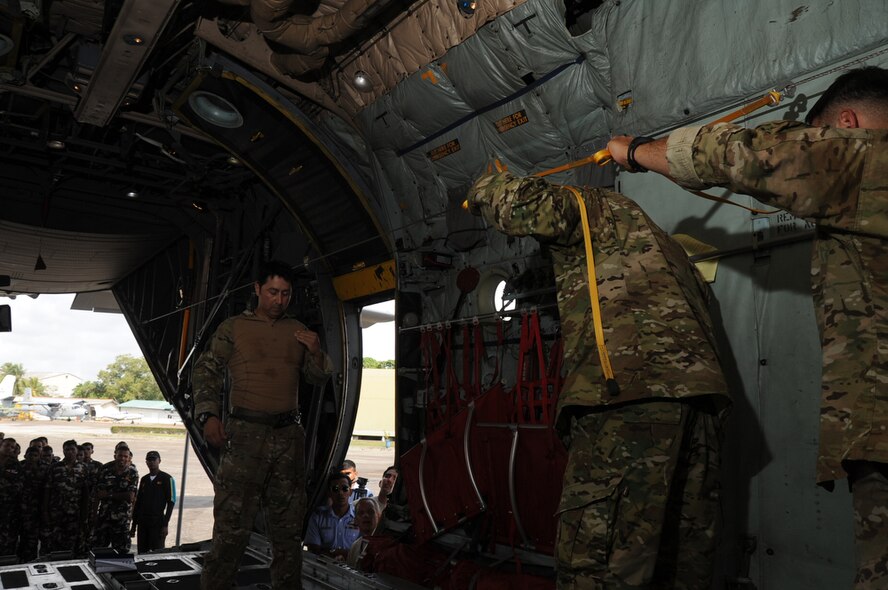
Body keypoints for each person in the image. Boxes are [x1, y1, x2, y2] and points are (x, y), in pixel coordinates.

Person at [607, 65, 888, 590]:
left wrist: (635, 151)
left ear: (846, 124)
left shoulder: (865, 161)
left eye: (819, 134)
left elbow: (738, 155)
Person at [466, 170, 730, 589]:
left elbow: (528, 207)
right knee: (679, 564)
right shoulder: (671, 252)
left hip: (628, 403)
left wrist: (484, 185)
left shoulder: (596, 206)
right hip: (700, 411)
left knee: (596, 565)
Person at [194, 259, 333, 590]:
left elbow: (318, 378)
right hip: (244, 436)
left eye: (286, 294)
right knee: (231, 529)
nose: (279, 300)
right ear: (257, 289)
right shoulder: (234, 328)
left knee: (288, 533)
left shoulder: (298, 330)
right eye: (272, 292)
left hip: (288, 438)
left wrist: (316, 352)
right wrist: (208, 414)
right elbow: (205, 370)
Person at [43, 439, 88, 554]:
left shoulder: (83, 468)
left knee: (73, 543)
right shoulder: (55, 467)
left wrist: (84, 513)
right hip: (57, 512)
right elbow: (47, 490)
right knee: (55, 543)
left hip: (75, 513)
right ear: (63, 451)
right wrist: (45, 512)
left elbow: (86, 492)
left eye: (72, 449)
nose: (69, 452)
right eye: (67, 449)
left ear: (76, 451)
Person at [304, 472, 361, 560]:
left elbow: (363, 549)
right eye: (335, 489)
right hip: (324, 565)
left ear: (350, 492)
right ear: (329, 493)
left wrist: (334, 552)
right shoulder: (318, 516)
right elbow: (313, 548)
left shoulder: (359, 516)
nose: (340, 493)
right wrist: (336, 554)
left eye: (345, 488)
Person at [93, 446, 138, 552]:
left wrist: (109, 495)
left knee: (122, 553)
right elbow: (99, 494)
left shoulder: (132, 473)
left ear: (129, 458)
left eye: (125, 456)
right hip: (104, 517)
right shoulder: (105, 470)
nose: (122, 458)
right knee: (99, 550)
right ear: (115, 456)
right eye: (120, 455)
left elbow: (130, 497)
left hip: (122, 520)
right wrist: (94, 515)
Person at [130, 451, 176, 553]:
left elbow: (171, 502)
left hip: (157, 522)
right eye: (149, 460)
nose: (151, 462)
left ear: (159, 461)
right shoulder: (144, 479)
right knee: (142, 552)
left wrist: (165, 524)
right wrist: (134, 525)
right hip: (143, 522)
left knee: (157, 552)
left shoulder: (167, 478)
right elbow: (138, 503)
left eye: (154, 459)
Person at [18, 446, 47, 561]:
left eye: (35, 455)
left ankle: (31, 561)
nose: (32, 458)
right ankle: (21, 560)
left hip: (38, 510)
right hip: (21, 509)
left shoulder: (45, 468)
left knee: (33, 539)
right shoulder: (20, 466)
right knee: (22, 538)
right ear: (25, 455)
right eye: (30, 455)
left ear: (39, 457)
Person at [0, 438, 22, 557]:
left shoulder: (15, 464)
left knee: (8, 540)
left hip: (8, 509)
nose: (9, 448)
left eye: (12, 447)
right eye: (7, 445)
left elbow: (19, 485)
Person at [346, 497, 382, 569]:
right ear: (355, 520)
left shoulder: (385, 545)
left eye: (370, 512)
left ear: (379, 516)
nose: (365, 515)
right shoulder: (355, 546)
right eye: (361, 513)